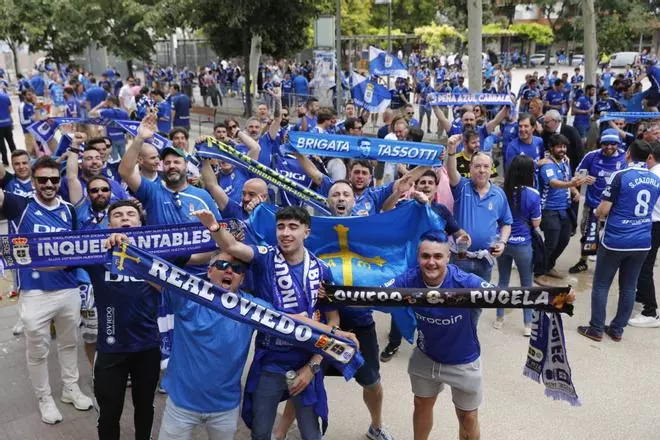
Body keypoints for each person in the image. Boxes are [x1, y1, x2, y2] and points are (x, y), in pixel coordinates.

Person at [194, 206, 356, 440]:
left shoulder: (321, 270)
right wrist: (214, 226)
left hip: (307, 361)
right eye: (280, 227)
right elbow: (230, 247)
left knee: (312, 434)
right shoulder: (264, 257)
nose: (285, 233)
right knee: (260, 432)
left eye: (293, 227)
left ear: (306, 232)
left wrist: (312, 367)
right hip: (270, 362)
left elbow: (332, 320)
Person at [0, 157, 93, 424]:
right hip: (35, 292)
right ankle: (44, 397)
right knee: (38, 349)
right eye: (43, 179)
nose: (49, 184)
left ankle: (70, 388)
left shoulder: (68, 210)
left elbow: (78, 248)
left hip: (67, 288)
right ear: (34, 180)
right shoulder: (21, 204)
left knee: (69, 343)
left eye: (54, 179)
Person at [386, 231, 488, 440]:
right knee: (421, 404)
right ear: (418, 256)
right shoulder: (409, 278)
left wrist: (556, 298)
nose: (431, 262)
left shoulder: (465, 281)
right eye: (425, 256)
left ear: (448, 257)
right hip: (427, 356)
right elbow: (370, 295)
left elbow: (511, 296)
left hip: (463, 360)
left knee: (468, 417)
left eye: (438, 256)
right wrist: (331, 294)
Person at [578, 141, 660, 342]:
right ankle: (617, 329)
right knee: (629, 286)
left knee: (601, 285)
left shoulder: (620, 176)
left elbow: (603, 210)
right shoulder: (655, 178)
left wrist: (597, 212)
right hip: (642, 239)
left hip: (616, 239)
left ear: (629, 154)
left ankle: (596, 328)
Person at [118, 111, 221, 226]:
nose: (172, 166)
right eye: (167, 163)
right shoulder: (152, 191)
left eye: (177, 162)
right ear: (162, 166)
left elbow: (219, 228)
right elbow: (125, 171)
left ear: (186, 165)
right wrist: (140, 137)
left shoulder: (202, 195)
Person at [492, 155, 541, 335]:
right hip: (523, 243)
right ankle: (528, 324)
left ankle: (499, 317)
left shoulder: (500, 190)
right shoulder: (533, 194)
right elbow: (536, 223)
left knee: (502, 280)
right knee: (526, 283)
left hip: (502, 241)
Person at [569, 129, 626, 274]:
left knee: (611, 236)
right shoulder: (591, 156)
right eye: (605, 144)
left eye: (613, 144)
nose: (609, 147)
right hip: (592, 203)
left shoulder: (625, 158)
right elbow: (577, 174)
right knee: (587, 233)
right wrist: (584, 178)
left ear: (618, 144)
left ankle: (608, 265)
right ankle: (583, 261)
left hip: (614, 206)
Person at [535, 134, 586, 285]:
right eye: (559, 146)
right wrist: (572, 184)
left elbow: (565, 179)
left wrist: (575, 191)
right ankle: (538, 272)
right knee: (551, 243)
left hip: (564, 208)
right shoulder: (547, 165)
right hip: (549, 210)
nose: (562, 149)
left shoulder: (565, 162)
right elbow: (553, 183)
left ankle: (549, 266)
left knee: (564, 240)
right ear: (551, 148)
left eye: (564, 146)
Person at [631, 141, 660, 327]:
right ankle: (641, 296)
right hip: (656, 224)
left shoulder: (652, 176)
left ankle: (650, 311)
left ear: (650, 157)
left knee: (644, 266)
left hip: (653, 224)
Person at [0, 88, 17, 166]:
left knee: (1, 145)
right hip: (7, 123)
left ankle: (5, 162)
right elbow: (10, 110)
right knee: (11, 142)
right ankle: (16, 159)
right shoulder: (5, 96)